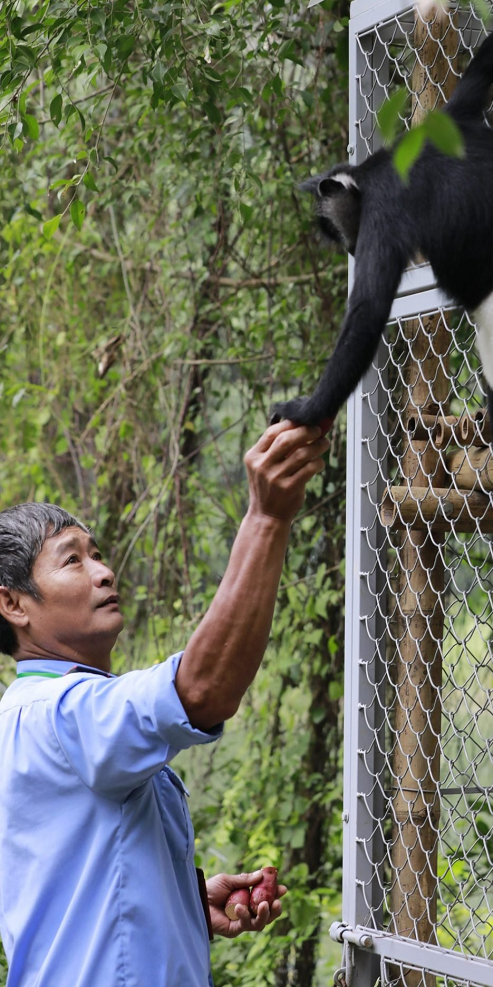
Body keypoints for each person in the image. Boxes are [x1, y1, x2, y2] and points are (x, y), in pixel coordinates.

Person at [0, 418, 330, 987]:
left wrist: (182, 904)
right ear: (13, 604)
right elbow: (201, 689)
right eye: (72, 560)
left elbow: (72, 885)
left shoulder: (32, 711)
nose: (104, 572)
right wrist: (267, 518)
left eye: (98, 553)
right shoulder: (61, 712)